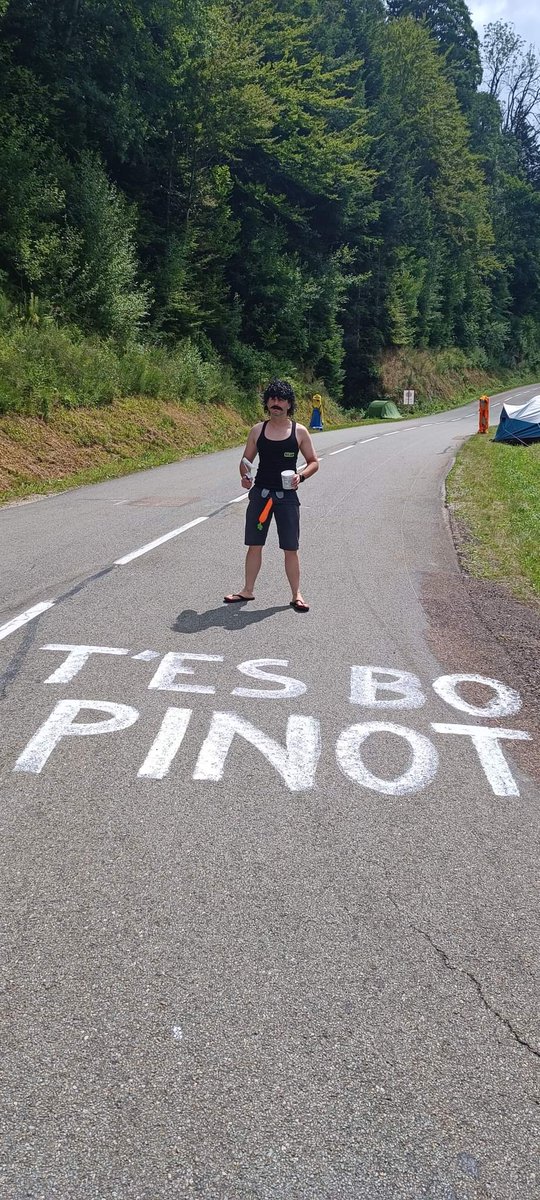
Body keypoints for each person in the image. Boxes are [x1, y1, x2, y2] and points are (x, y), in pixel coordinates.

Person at [224, 379, 319, 612]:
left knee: (290, 547)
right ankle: (247, 590)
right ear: (267, 402)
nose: (276, 403)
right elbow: (245, 462)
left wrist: (301, 477)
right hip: (261, 496)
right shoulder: (258, 430)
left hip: (286, 497)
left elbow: (313, 462)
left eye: (281, 399)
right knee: (254, 544)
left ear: (289, 404)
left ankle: (296, 594)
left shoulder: (299, 432)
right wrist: (245, 476)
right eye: (272, 398)